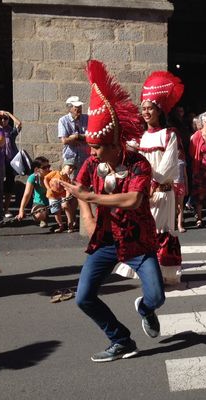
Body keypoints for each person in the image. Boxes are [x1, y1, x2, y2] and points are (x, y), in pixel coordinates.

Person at [61, 60, 165, 362]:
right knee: (83, 298)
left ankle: (145, 308)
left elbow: (133, 200)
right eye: (91, 147)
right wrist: (87, 213)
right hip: (105, 240)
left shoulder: (138, 163)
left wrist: (91, 197)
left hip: (136, 239)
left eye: (97, 147)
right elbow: (79, 188)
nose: (91, 153)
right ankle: (121, 340)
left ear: (115, 144)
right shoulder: (92, 164)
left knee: (156, 296)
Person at [136, 70, 184, 285]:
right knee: (145, 232)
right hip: (143, 192)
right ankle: (148, 273)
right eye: (143, 108)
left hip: (162, 192)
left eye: (150, 108)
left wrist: (153, 182)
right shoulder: (141, 136)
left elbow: (168, 163)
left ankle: (164, 273)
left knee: (161, 231)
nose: (146, 112)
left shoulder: (169, 134)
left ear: (158, 110)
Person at [0, 110, 22, 218]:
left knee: (9, 184)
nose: (3, 120)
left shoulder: (10, 131)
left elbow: (19, 124)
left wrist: (8, 113)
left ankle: (6, 208)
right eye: (1, 118)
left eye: (5, 119)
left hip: (10, 161)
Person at [16, 156, 51, 227]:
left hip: (54, 201)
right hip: (41, 203)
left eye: (48, 166)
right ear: (37, 170)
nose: (48, 169)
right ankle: (44, 218)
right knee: (39, 215)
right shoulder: (33, 177)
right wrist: (21, 210)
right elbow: (27, 194)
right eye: (44, 168)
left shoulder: (52, 175)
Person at [43, 159, 77, 233]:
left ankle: (70, 225)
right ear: (64, 167)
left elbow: (67, 189)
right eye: (70, 167)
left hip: (62, 195)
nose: (71, 170)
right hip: (52, 196)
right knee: (56, 212)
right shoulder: (55, 173)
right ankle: (60, 225)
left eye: (73, 169)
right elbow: (46, 179)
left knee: (66, 206)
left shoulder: (68, 179)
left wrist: (67, 198)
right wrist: (48, 188)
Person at [58, 96, 89, 174]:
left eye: (80, 107)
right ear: (70, 108)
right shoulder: (63, 120)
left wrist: (76, 136)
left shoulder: (87, 118)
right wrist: (83, 137)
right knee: (70, 179)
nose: (79, 109)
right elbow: (64, 141)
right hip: (70, 156)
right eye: (76, 107)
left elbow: (91, 136)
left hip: (85, 156)